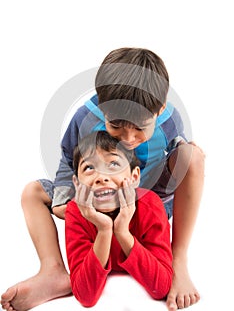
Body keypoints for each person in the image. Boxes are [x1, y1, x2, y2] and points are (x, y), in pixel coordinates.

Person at [1, 47, 205, 311]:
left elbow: (179, 161)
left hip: (147, 203)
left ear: (160, 109)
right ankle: (53, 270)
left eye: (140, 128)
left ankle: (178, 262)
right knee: (32, 192)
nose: (128, 139)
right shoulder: (85, 118)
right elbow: (67, 158)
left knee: (193, 155)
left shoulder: (169, 121)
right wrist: (64, 194)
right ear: (102, 105)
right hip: (97, 200)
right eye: (116, 127)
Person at [65, 130, 173, 307]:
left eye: (113, 164)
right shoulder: (76, 211)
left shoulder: (150, 205)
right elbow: (85, 296)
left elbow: (161, 287)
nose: (101, 177)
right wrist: (104, 229)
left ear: (134, 177)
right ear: (77, 184)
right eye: (89, 168)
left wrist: (122, 232)